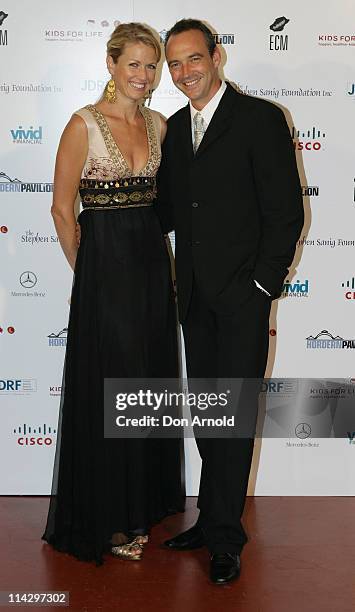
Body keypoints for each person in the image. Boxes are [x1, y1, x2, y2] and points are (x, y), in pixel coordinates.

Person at [156, 19, 304, 584]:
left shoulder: (260, 119)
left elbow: (285, 212)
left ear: (217, 57)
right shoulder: (171, 128)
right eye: (174, 64)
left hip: (243, 299)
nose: (184, 72)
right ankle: (210, 514)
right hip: (194, 300)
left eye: (193, 59)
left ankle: (225, 536)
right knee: (209, 415)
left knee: (234, 419)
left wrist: (263, 287)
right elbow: (170, 213)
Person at [42, 22, 184, 566]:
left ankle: (142, 504)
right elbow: (61, 208)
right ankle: (105, 517)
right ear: (111, 64)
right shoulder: (83, 124)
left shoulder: (160, 126)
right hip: (104, 267)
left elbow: (163, 205)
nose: (144, 76)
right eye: (134, 65)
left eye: (152, 66)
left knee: (147, 378)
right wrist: (88, 271)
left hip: (150, 262)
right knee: (111, 384)